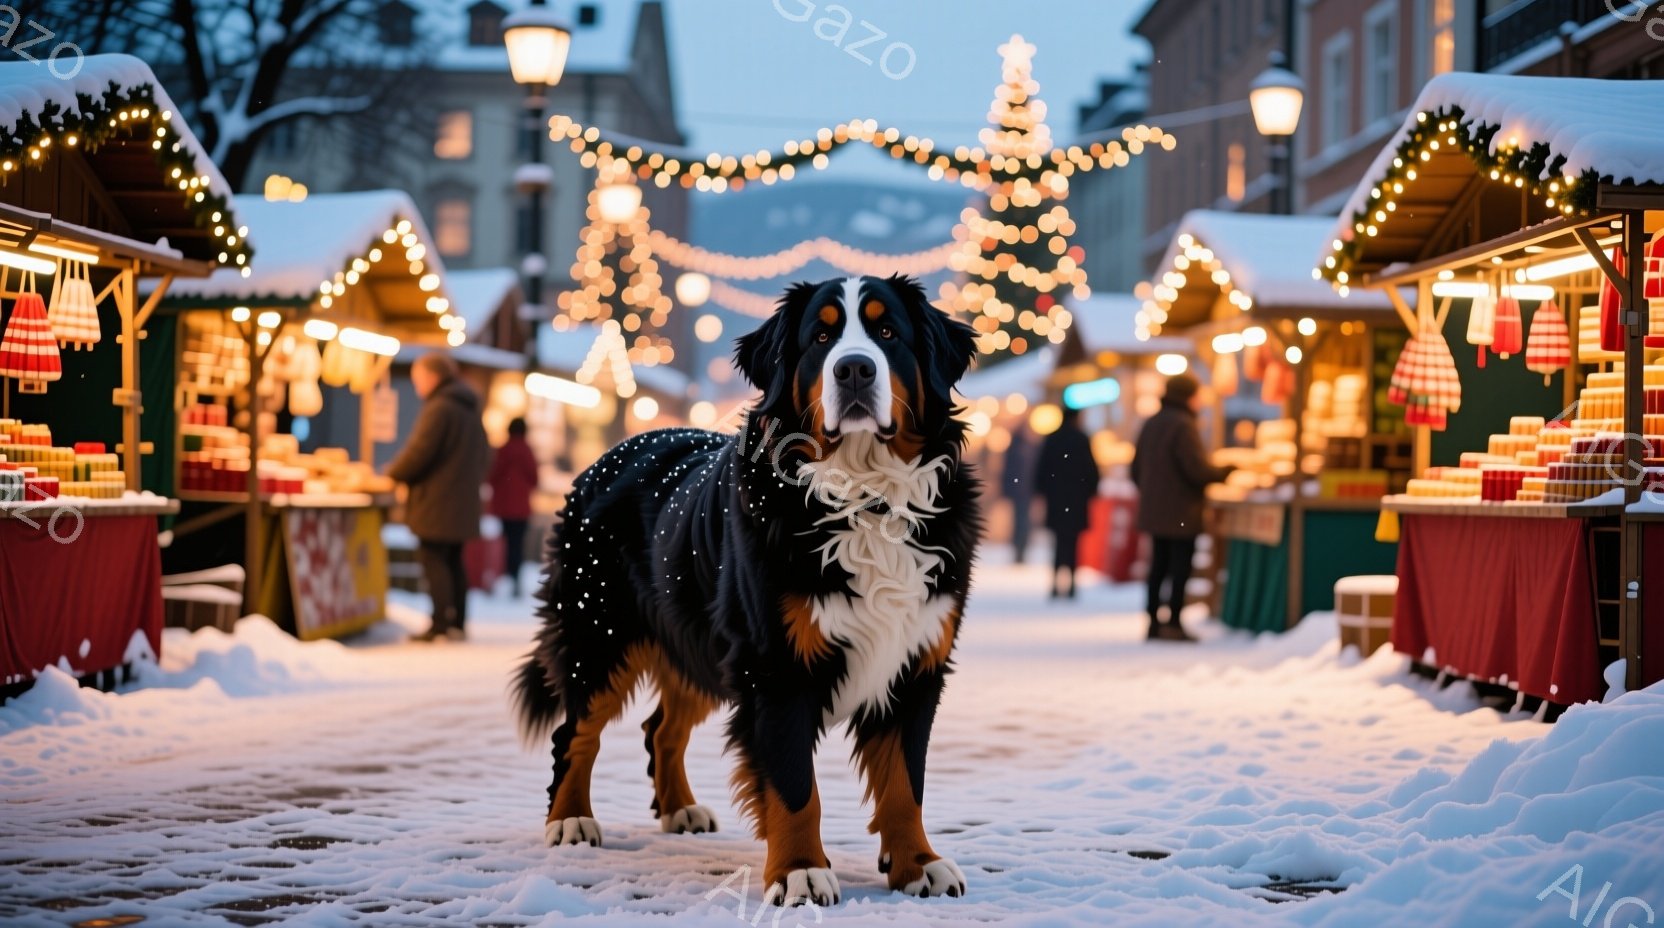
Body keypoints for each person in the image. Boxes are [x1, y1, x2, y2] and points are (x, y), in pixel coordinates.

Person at [388, 353, 489, 642]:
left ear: (433, 377)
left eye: (418, 379)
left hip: (437, 501)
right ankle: (456, 621)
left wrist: (394, 473)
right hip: (462, 500)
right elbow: (484, 456)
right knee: (454, 560)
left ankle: (439, 624)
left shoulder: (440, 408)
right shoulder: (470, 408)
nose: (417, 386)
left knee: (433, 559)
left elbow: (420, 451)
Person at [1131, 373, 1233, 643]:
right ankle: (1174, 622)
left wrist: (1151, 493)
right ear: (1189, 396)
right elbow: (1196, 469)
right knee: (1179, 568)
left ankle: (1153, 622)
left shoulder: (1151, 422)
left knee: (1158, 566)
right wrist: (1224, 472)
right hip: (1180, 512)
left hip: (1154, 511)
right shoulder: (1183, 425)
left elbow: (1135, 469)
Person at [1035, 405, 1101, 599]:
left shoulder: (1052, 439)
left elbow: (1042, 469)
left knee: (1058, 542)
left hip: (1056, 499)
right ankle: (1071, 584)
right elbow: (1091, 469)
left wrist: (1044, 492)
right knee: (1072, 543)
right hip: (1076, 499)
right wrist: (1091, 491)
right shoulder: (1082, 439)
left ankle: (1055, 584)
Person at [487, 416, 540, 598]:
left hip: (503, 507)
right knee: (518, 544)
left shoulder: (502, 450)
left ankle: (505, 577)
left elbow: (492, 475)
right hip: (522, 509)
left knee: (505, 542)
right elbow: (534, 479)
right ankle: (515, 578)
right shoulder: (527, 451)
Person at [1001, 424, 1037, 564]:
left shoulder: (1017, 449)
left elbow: (1008, 471)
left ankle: (1020, 549)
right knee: (1022, 521)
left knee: (1021, 521)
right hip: (1023, 491)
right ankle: (1020, 549)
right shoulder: (1028, 449)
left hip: (1021, 491)